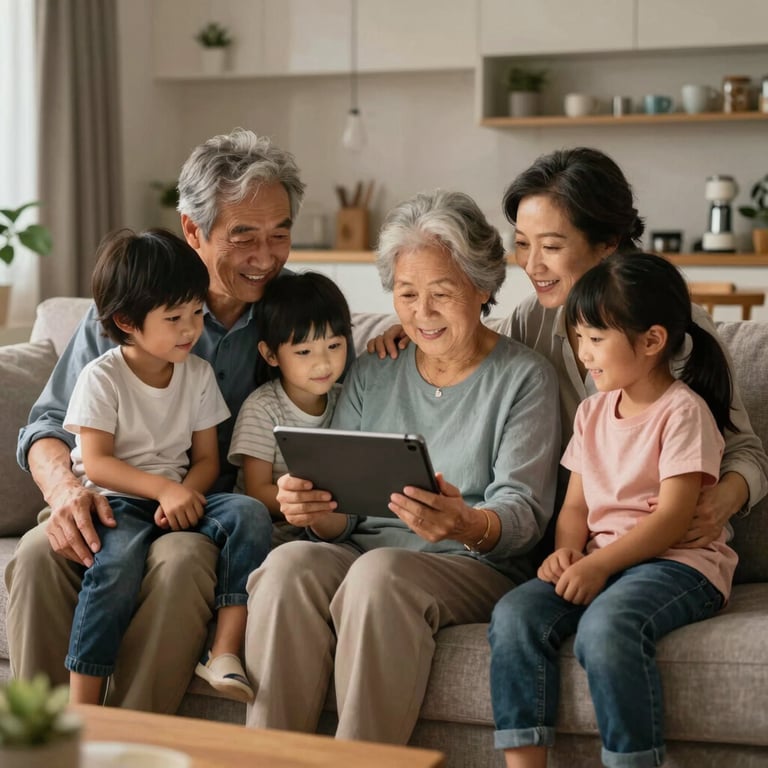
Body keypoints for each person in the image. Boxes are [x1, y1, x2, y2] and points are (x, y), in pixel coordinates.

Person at [5, 128, 308, 712]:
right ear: (192, 230)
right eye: (243, 235)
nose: (265, 257)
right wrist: (66, 489)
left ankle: (128, 744)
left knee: (181, 563)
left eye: (280, 234)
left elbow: (346, 367)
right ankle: (38, 743)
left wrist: (403, 337)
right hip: (114, 491)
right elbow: (46, 427)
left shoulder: (295, 308)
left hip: (209, 511)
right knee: (44, 553)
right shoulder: (130, 306)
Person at [243, 189, 561, 744]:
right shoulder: (374, 368)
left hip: (472, 563)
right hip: (366, 551)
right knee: (289, 564)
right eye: (407, 294)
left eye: (441, 293)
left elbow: (523, 512)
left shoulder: (524, 378)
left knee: (379, 574)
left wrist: (464, 522)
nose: (422, 313)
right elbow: (344, 514)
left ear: (482, 287)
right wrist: (314, 510)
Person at [371, 147, 768, 543]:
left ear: (608, 242)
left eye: (552, 246)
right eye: (523, 243)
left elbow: (746, 450)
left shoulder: (675, 328)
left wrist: (722, 501)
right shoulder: (532, 318)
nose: (531, 264)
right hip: (573, 544)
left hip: (662, 547)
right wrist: (417, 329)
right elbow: (478, 346)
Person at [488, 251, 738, 768]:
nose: (583, 354)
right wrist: (566, 552)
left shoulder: (683, 412)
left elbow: (671, 519)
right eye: (578, 338)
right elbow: (576, 504)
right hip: (600, 558)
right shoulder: (592, 411)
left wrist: (598, 565)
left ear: (651, 341)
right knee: (514, 615)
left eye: (596, 340)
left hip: (677, 565)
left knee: (606, 628)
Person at [64, 228, 270, 705]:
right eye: (174, 318)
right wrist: (163, 490)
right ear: (127, 321)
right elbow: (96, 462)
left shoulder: (195, 374)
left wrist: (187, 493)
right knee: (112, 569)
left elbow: (205, 460)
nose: (190, 330)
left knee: (249, 514)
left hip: (175, 498)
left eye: (196, 313)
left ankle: (224, 650)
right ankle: (84, 704)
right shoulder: (103, 376)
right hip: (117, 500)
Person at [228, 271, 353, 543]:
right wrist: (308, 504)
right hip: (270, 526)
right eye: (304, 352)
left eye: (334, 345)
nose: (323, 363)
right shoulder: (262, 408)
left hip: (328, 526)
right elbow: (256, 490)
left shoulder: (348, 399)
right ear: (271, 354)